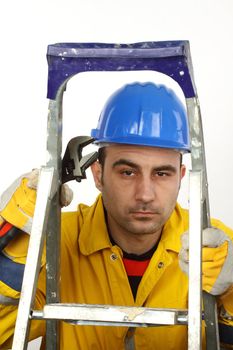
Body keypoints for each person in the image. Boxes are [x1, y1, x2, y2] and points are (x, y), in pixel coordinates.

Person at [0, 82, 233, 349]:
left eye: (162, 173)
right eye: (127, 172)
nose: (145, 194)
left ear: (181, 178)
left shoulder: (214, 250)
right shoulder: (54, 242)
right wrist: (16, 246)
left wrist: (231, 296)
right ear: (98, 175)